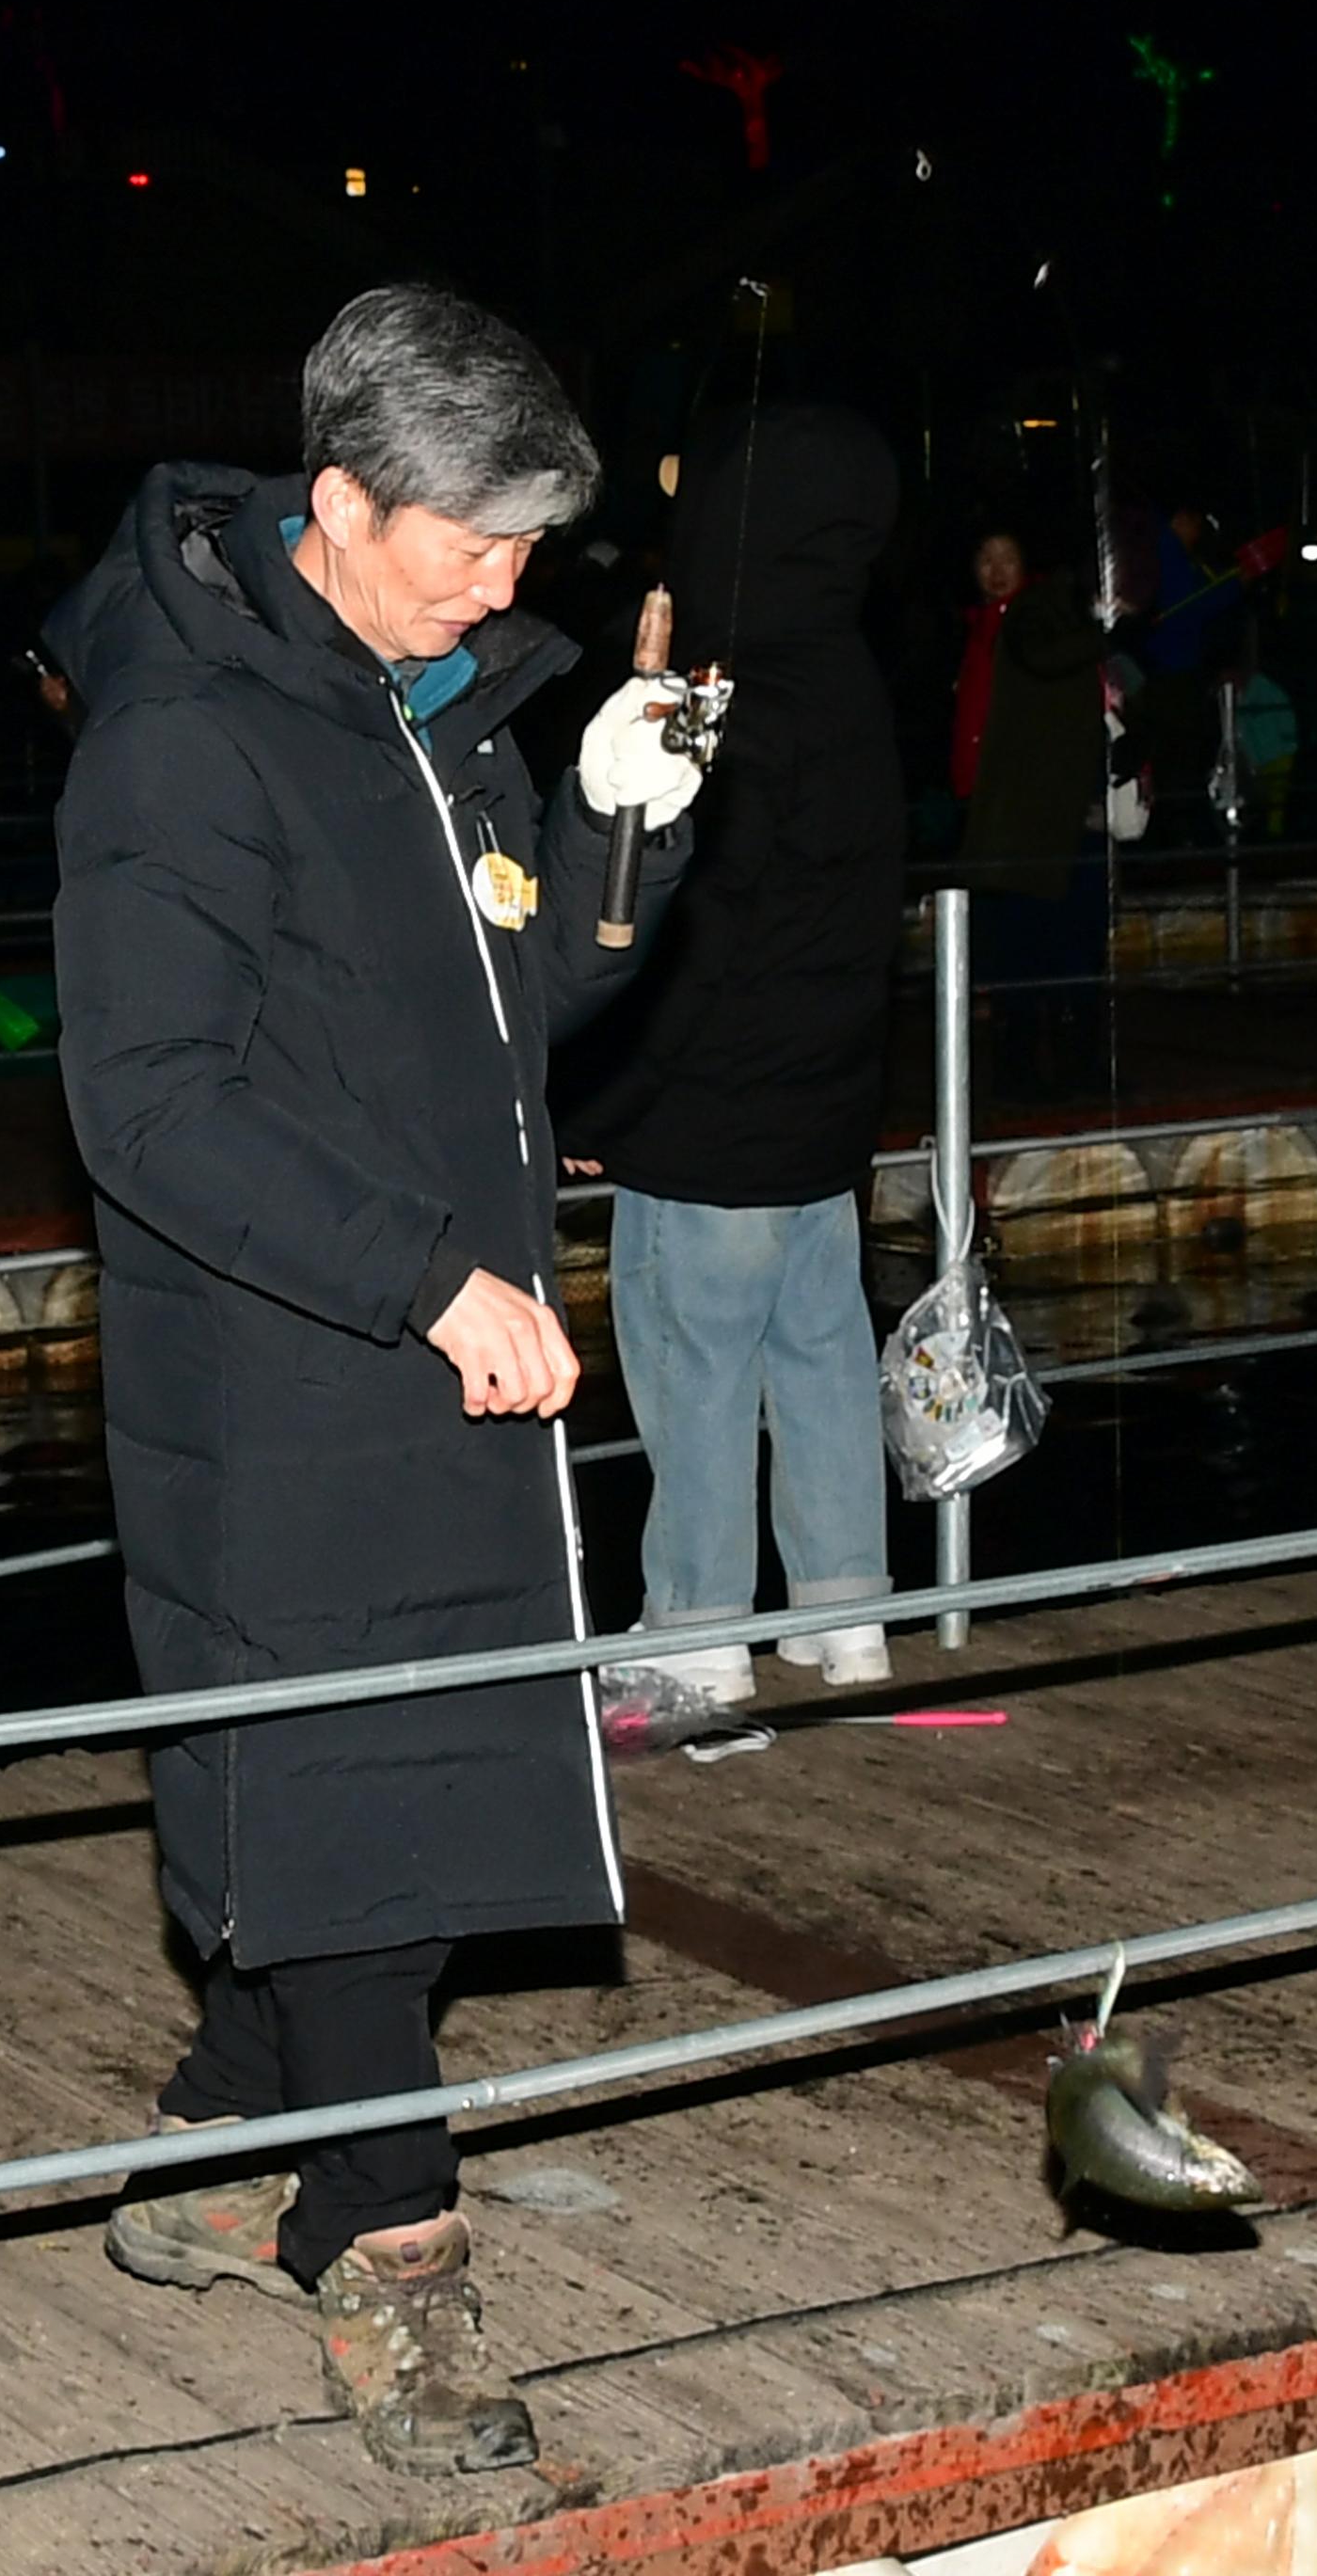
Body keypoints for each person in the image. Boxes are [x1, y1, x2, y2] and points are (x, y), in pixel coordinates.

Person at [49, 284, 699, 2477]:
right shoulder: (183, 740)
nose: (510, 585)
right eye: (471, 542)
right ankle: (387, 2242)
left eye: (533, 548)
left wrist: (621, 832)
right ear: (336, 506)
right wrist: (429, 1275)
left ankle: (228, 2140)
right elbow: (148, 1104)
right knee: (348, 1817)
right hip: (289, 1384)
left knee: (384, 1799)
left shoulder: (445, 704)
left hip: (449, 1364)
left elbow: (520, 1009)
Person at [558, 404, 908, 1703]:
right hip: (822, 1110)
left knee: (691, 1365)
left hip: (713, 1116)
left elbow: (683, 928)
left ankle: (698, 1642)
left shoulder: (734, 703)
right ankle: (847, 1617)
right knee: (818, 1351)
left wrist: (607, 1090)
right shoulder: (852, 679)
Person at [950, 528, 1111, 1097]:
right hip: (1005, 815)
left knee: (1045, 951)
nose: (995, 569)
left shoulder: (1031, 617)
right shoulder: (979, 628)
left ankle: (1058, 1074)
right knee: (1029, 953)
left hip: (1034, 819)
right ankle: (1037, 1074)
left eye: (1007, 557)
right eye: (985, 557)